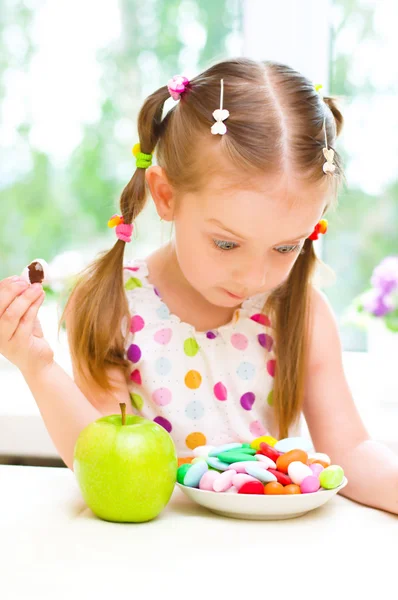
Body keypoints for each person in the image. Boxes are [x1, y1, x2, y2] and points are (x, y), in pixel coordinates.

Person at [0, 57, 397, 514]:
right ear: (166, 196)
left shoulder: (301, 311)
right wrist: (40, 368)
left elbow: (351, 452)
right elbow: (101, 462)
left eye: (286, 248)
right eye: (227, 243)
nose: (255, 278)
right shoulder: (113, 304)